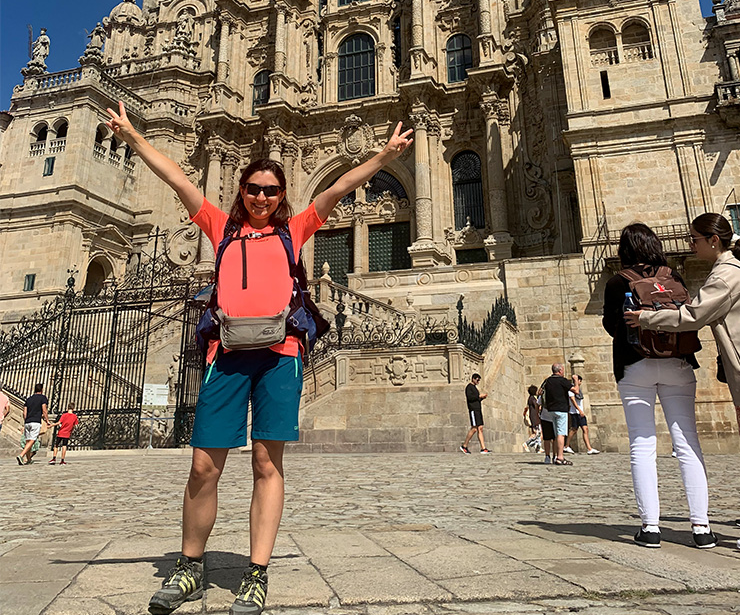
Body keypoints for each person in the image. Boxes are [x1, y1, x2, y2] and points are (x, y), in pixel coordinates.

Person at [105, 100, 412, 615]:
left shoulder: (295, 231)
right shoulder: (220, 227)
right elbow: (179, 179)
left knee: (268, 464)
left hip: (280, 354)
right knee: (204, 465)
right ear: (241, 192)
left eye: (271, 191)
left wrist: (382, 156)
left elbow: (337, 188)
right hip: (226, 355)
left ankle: (256, 573)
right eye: (254, 189)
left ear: (282, 197)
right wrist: (134, 138)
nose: (262, 197)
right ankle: (189, 568)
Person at [625, 213, 740, 549]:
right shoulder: (727, 270)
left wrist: (645, 317)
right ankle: (701, 527)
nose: (691, 245)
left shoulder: (726, 275)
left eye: (695, 239)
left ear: (713, 241)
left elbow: (694, 316)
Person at [604, 222, 716, 549]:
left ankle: (650, 527)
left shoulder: (617, 282)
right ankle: (702, 528)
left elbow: (614, 326)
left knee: (642, 444)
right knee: (687, 444)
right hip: (678, 365)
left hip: (634, 366)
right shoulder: (674, 278)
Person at [540, 363, 572, 465]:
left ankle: (552, 456)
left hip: (550, 410)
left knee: (552, 435)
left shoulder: (547, 380)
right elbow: (575, 390)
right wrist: (575, 381)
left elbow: (539, 392)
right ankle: (560, 457)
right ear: (560, 371)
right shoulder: (562, 381)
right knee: (560, 434)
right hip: (561, 409)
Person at [17, 382, 51, 466]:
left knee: (28, 441)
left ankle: (28, 459)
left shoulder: (29, 399)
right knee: (32, 440)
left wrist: (26, 420)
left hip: (27, 421)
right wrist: (47, 420)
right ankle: (21, 455)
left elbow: (24, 412)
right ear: (42, 390)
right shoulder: (43, 398)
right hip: (35, 421)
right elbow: (44, 410)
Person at [564, 375, 599, 455]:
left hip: (580, 412)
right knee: (574, 430)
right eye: (580, 381)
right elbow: (572, 400)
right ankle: (566, 445)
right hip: (575, 412)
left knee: (585, 429)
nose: (580, 382)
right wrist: (579, 410)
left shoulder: (579, 390)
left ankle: (589, 448)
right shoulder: (571, 389)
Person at [459, 373, 490, 454]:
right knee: (474, 428)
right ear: (473, 379)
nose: (478, 381)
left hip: (478, 409)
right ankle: (464, 445)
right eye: (477, 379)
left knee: (480, 428)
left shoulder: (475, 388)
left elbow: (476, 399)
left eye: (479, 380)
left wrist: (482, 398)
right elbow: (470, 398)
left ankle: (483, 448)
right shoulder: (469, 387)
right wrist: (479, 396)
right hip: (473, 410)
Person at [522, 384, 542, 452]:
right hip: (534, 418)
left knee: (538, 433)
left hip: (535, 417)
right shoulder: (532, 398)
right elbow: (537, 406)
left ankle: (538, 447)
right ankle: (526, 443)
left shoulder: (531, 398)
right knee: (536, 433)